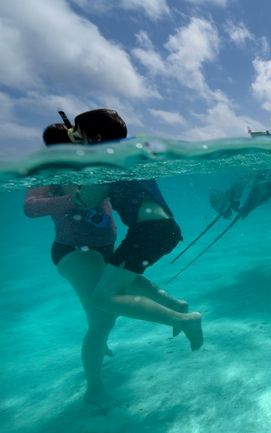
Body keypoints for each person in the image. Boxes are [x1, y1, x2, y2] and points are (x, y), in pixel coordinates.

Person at [67, 109, 203, 353]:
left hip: (149, 231)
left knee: (102, 297)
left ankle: (184, 319)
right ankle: (176, 306)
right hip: (165, 228)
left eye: (79, 132)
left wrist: (73, 182)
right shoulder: (130, 153)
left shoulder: (104, 161)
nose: (76, 137)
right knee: (123, 282)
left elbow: (87, 200)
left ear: (95, 137)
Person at [24, 123, 118, 409]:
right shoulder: (49, 170)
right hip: (72, 252)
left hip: (103, 249)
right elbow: (30, 207)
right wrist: (73, 199)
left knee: (102, 313)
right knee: (104, 318)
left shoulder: (89, 164)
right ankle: (94, 390)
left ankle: (99, 343)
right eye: (77, 136)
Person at [210, 169, 271, 264]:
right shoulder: (261, 179)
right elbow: (256, 197)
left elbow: (258, 197)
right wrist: (246, 210)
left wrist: (246, 210)